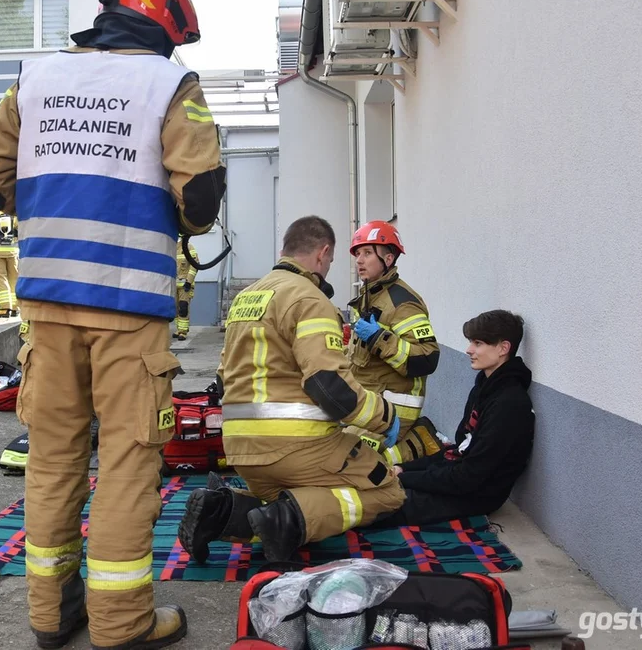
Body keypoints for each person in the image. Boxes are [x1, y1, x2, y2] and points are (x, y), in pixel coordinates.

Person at [0, 0, 225, 650]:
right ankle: (120, 624)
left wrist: (49, 207)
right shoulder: (171, 84)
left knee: (51, 461)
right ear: (165, 27)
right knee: (127, 462)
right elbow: (198, 199)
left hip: (45, 307)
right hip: (128, 311)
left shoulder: (37, 76)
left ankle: (51, 617)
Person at [176, 216, 405, 566]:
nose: (328, 269)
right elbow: (329, 387)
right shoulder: (310, 300)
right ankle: (290, 521)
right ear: (322, 253)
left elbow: (223, 378)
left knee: (282, 500)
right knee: (387, 490)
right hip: (295, 445)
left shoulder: (247, 297)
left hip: (239, 448)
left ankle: (219, 512)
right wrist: (384, 416)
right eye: (329, 262)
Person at [378, 310, 534, 526]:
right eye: (471, 342)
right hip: (457, 477)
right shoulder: (483, 388)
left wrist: (404, 478)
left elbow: (468, 477)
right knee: (375, 482)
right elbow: (458, 450)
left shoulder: (510, 405)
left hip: (477, 494)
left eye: (478, 343)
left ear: (503, 348)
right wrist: (404, 469)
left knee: (378, 504)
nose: (469, 350)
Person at [345, 220, 442, 464]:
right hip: (367, 401)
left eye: (367, 253)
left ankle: (417, 443)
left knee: (352, 461)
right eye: (358, 253)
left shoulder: (403, 303)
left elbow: (427, 358)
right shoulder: (368, 296)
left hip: (394, 407)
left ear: (388, 259)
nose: (359, 260)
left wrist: (380, 338)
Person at [173, 237, 198, 340]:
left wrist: (188, 281)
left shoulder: (189, 247)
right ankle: (178, 329)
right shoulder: (172, 248)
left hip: (185, 285)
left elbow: (194, 265)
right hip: (173, 285)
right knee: (175, 308)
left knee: (183, 307)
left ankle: (183, 332)